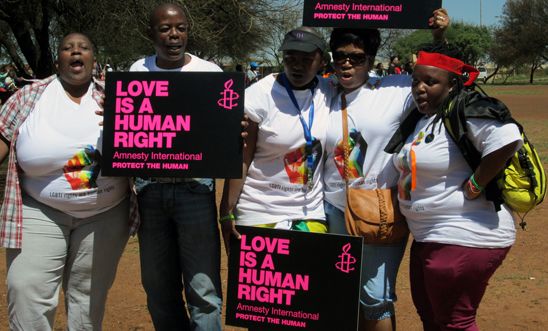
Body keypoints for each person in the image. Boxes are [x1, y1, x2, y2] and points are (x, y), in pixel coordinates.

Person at [323, 9, 449, 331]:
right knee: (338, 294)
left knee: (375, 299)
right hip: (329, 210)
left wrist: (439, 37)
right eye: (340, 56)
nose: (347, 64)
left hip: (377, 211)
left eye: (357, 57)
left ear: (372, 58)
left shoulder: (396, 90)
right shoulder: (321, 93)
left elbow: (443, 77)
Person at [0, 32, 135, 330]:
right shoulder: (29, 96)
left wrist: (125, 118)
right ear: (58, 57)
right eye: (67, 48)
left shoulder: (117, 98)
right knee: (26, 289)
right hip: (39, 212)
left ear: (93, 58)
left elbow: (155, 139)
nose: (76, 52)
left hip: (105, 216)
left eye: (84, 47)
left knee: (88, 300)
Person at [387, 44, 522, 330]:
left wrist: (476, 183)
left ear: (453, 85)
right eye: (415, 81)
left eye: (431, 82)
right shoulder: (423, 117)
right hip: (429, 236)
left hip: (464, 234)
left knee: (453, 322)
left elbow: (508, 138)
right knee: (432, 317)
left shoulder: (466, 108)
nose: (419, 88)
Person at [128, 3, 224, 330]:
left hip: (195, 189)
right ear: (151, 33)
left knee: (204, 288)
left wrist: (232, 129)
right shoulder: (136, 72)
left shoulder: (210, 74)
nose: (174, 35)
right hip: (149, 190)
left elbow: (221, 133)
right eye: (166, 29)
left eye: (180, 27)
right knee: (158, 287)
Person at [220, 26, 333, 247]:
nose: (297, 66)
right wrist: (226, 211)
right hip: (258, 211)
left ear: (322, 62)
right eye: (290, 58)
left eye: (307, 59)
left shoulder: (329, 90)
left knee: (306, 280)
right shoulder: (259, 95)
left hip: (310, 214)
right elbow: (242, 158)